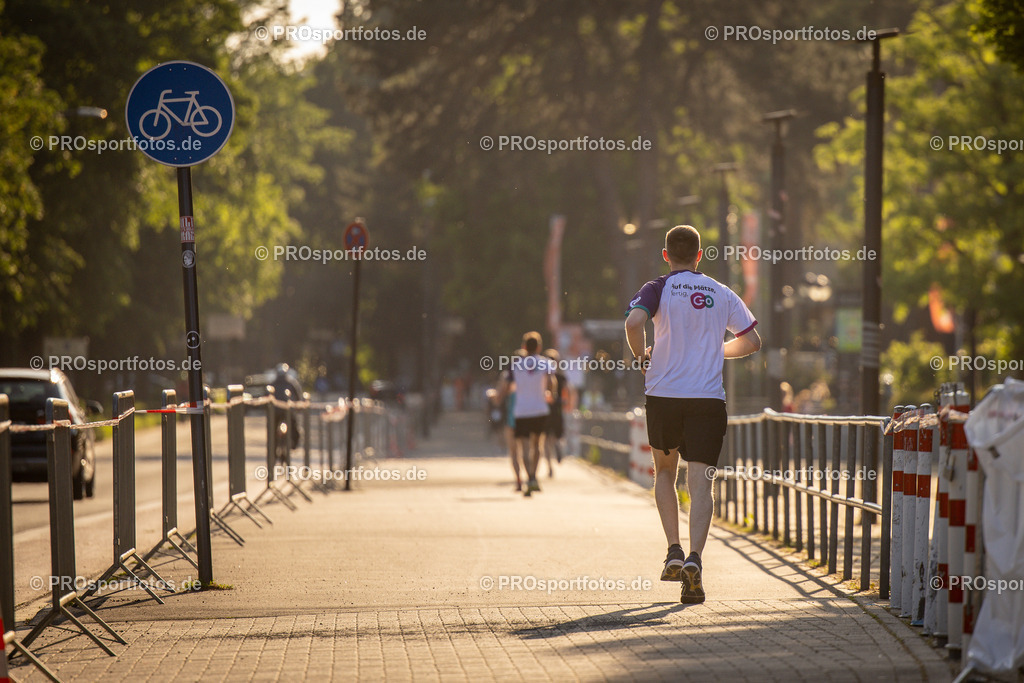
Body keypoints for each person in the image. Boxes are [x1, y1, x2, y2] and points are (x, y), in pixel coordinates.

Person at [624, 225, 761, 604]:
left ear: (666, 255)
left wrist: (641, 356)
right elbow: (752, 340)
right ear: (700, 256)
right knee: (702, 482)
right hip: (707, 400)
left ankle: (673, 549)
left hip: (664, 395)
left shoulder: (657, 288)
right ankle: (696, 560)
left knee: (665, 472)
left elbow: (634, 323)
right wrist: (718, 351)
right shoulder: (721, 292)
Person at [499, 332, 555, 497]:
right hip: (539, 409)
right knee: (537, 445)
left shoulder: (515, 365)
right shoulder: (546, 363)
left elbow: (507, 387)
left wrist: (500, 396)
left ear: (524, 347)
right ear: (539, 347)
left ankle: (528, 477)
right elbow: (552, 382)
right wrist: (550, 393)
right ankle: (533, 477)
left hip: (521, 411)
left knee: (523, 446)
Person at [542, 348, 567, 476]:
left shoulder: (543, 376)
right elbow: (566, 395)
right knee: (557, 435)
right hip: (557, 410)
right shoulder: (562, 377)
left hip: (545, 410)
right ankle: (557, 445)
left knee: (545, 440)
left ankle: (549, 467)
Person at [271, 363, 304, 449]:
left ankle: (273, 448)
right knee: (294, 426)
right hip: (288, 410)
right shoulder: (292, 383)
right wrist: (299, 405)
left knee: (272, 429)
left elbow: (266, 396)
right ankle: (294, 444)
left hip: (275, 411)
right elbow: (298, 396)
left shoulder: (272, 384)